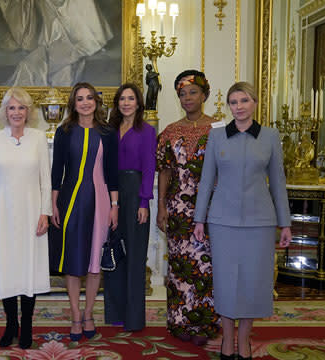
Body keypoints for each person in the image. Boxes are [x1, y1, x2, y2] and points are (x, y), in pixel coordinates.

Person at [193, 81, 292, 360]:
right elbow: (206, 180)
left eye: (244, 101)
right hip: (222, 222)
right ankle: (226, 340)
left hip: (260, 223)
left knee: (253, 283)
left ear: (255, 103)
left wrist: (285, 223)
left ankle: (245, 341)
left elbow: (278, 184)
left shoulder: (271, 137)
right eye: (233, 102)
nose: (238, 107)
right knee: (225, 282)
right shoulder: (216, 137)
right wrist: (199, 219)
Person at [0, 87, 52, 349]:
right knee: (7, 268)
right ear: (5, 112)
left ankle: (28, 325)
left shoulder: (38, 138)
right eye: (12, 108)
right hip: (1, 215)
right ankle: (11, 324)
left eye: (21, 107)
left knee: (28, 268)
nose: (17, 112)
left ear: (28, 112)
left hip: (32, 213)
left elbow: (46, 180)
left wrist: (45, 212)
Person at [48, 82, 119, 341]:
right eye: (80, 99)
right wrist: (53, 204)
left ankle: (89, 313)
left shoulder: (108, 133)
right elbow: (57, 170)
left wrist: (114, 206)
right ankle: (75, 314)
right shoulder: (64, 131)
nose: (86, 102)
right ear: (73, 104)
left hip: (100, 200)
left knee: (93, 259)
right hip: (71, 200)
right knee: (73, 259)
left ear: (96, 102)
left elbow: (112, 172)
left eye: (90, 98)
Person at [156, 70, 220, 345]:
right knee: (180, 267)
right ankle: (180, 321)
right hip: (178, 211)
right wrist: (161, 206)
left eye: (193, 92)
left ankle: (207, 324)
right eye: (182, 94)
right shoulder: (170, 131)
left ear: (204, 94)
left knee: (207, 267)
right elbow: (165, 172)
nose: (187, 98)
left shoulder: (219, 128)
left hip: (212, 209)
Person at [104, 83, 156, 331]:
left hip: (136, 193)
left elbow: (149, 167)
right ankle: (115, 314)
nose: (126, 103)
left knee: (135, 256)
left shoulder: (146, 130)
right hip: (111, 193)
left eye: (131, 98)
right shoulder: (109, 130)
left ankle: (134, 319)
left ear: (138, 103)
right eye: (122, 99)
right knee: (114, 252)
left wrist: (144, 201)